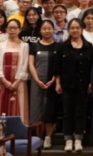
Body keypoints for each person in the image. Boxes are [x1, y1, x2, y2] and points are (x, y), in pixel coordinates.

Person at [55, 19, 93, 152]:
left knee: (80, 112)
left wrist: (91, 82)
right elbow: (58, 67)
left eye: (77, 28)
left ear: (82, 29)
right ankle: (68, 139)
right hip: (66, 85)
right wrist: (57, 82)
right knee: (67, 112)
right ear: (68, 30)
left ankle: (78, 139)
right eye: (72, 28)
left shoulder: (88, 46)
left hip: (83, 85)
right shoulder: (62, 46)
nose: (75, 30)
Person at [0, 19, 30, 123]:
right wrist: (4, 80)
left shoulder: (25, 46)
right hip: (3, 80)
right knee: (2, 105)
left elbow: (25, 64)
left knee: (18, 105)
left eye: (15, 28)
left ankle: (18, 130)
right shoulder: (1, 46)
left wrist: (17, 81)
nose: (12, 30)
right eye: (10, 28)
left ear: (19, 29)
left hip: (19, 81)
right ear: (6, 29)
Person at [28, 20, 58, 149]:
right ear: (40, 30)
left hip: (52, 82)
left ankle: (48, 137)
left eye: (49, 28)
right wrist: (37, 80)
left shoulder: (58, 46)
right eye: (44, 29)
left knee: (50, 109)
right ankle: (37, 138)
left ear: (53, 30)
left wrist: (53, 79)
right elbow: (30, 64)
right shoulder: (34, 46)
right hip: (37, 81)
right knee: (36, 108)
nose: (47, 31)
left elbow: (59, 65)